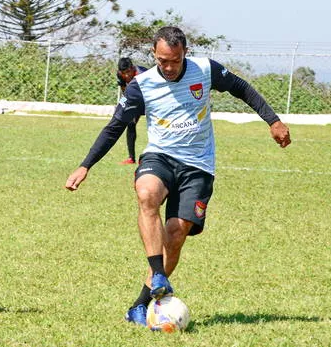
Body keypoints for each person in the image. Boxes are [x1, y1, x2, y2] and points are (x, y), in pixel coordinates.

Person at [65, 26, 291, 329]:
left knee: (175, 234)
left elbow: (243, 88)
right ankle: (158, 273)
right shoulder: (140, 85)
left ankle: (140, 304)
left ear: (184, 52)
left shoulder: (205, 69)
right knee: (147, 193)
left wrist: (273, 120)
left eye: (174, 60)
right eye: (162, 61)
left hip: (198, 165)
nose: (168, 68)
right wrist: (85, 165)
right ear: (154, 56)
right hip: (160, 157)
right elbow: (114, 127)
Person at [116, 57, 148, 164]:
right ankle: (131, 158)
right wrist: (122, 104)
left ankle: (152, 157)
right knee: (130, 124)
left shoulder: (143, 74)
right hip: (135, 99)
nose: (126, 75)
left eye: (128, 72)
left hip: (150, 100)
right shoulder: (120, 74)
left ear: (132, 67)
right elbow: (125, 91)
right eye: (123, 73)